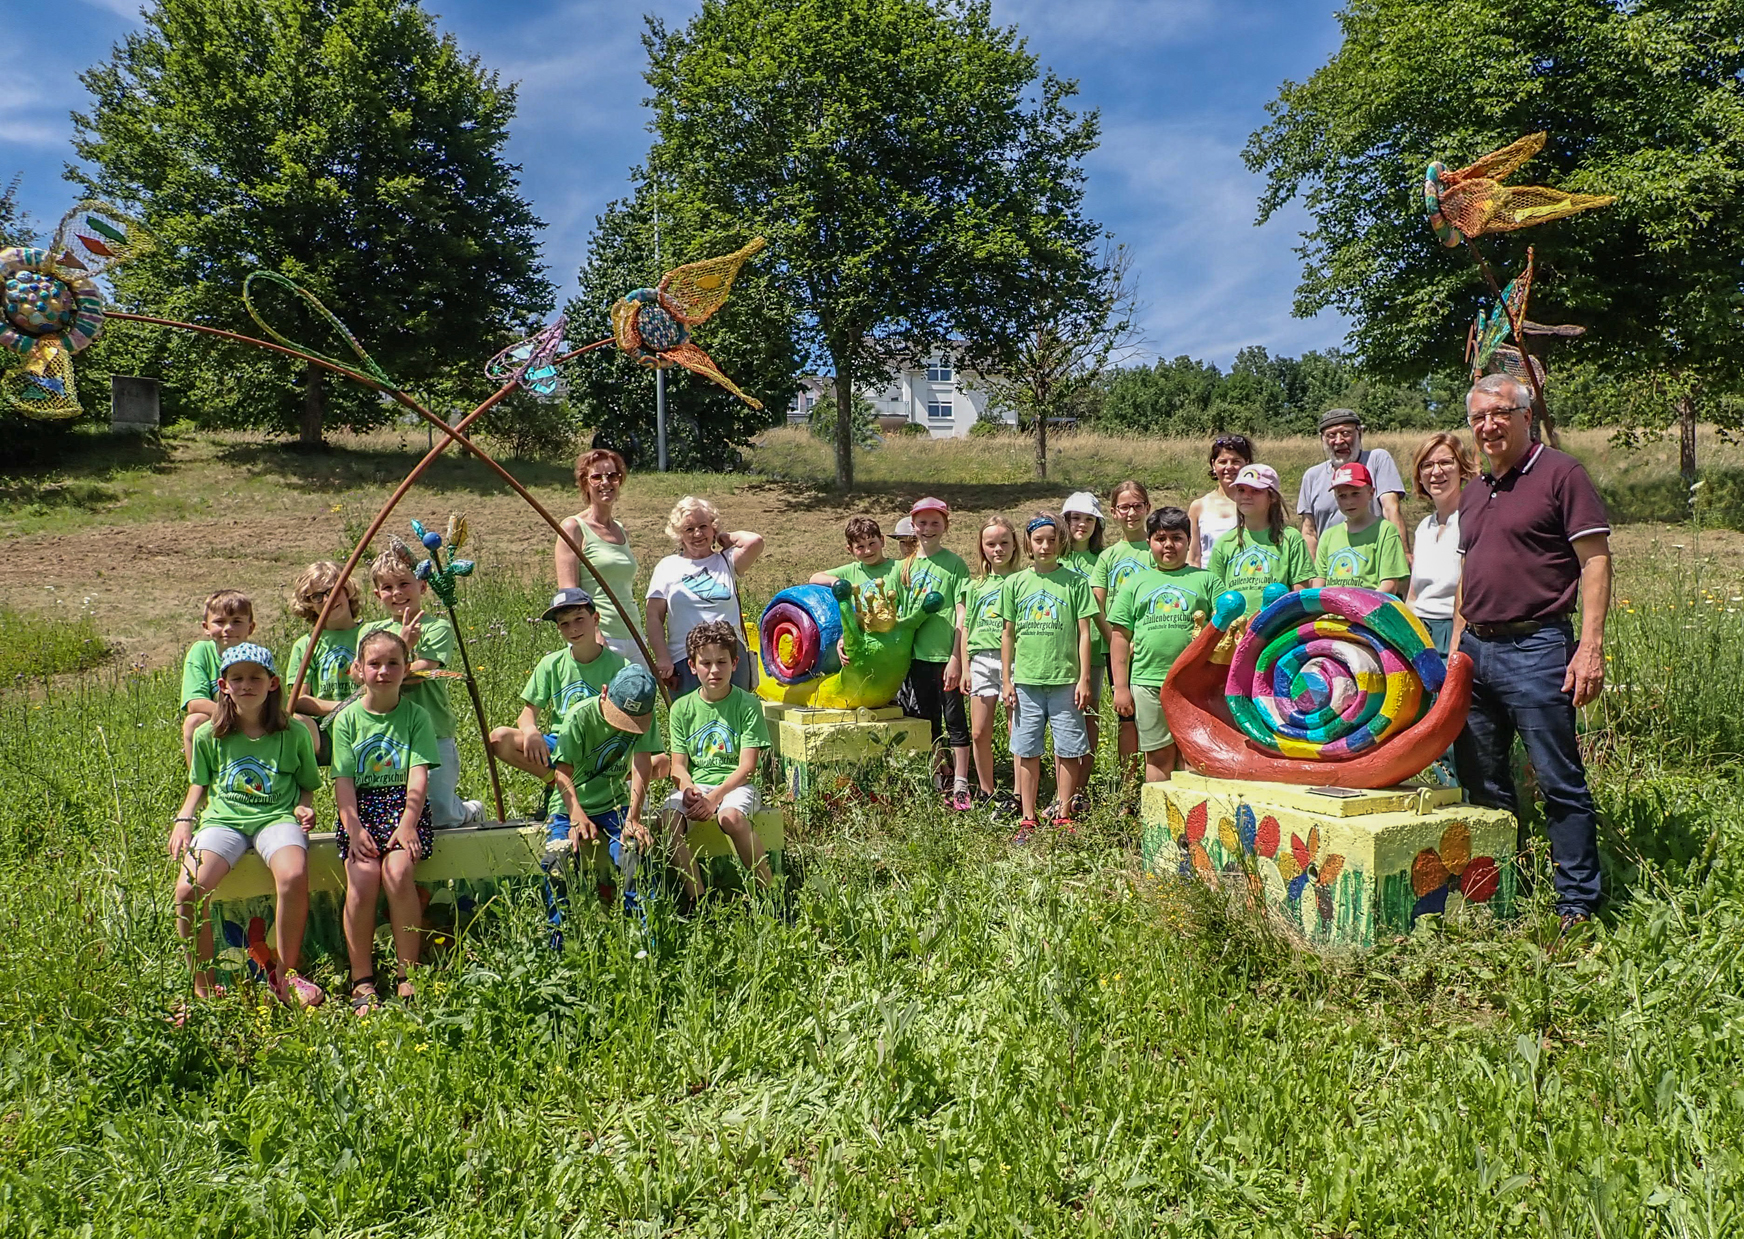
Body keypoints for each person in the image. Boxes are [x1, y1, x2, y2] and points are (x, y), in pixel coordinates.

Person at [1452, 373, 1611, 932]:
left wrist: (1588, 647)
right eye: (1478, 417)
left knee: (1557, 779)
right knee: (1483, 780)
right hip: (1476, 651)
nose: (1488, 425)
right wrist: (1454, 655)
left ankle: (1576, 904)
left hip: (1538, 647)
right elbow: (1467, 579)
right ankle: (1500, 890)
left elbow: (1595, 560)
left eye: (1499, 413)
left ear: (1525, 414)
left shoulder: (1561, 473)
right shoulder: (1474, 491)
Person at [170, 642, 323, 1008]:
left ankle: (286, 975)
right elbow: (200, 784)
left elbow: (307, 786)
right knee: (188, 891)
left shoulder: (293, 733)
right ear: (223, 686)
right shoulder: (210, 735)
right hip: (224, 820)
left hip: (275, 818)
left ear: (272, 683)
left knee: (292, 875)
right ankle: (203, 989)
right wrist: (184, 819)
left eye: (256, 677)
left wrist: (304, 808)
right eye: (236, 678)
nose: (246, 685)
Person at [331, 629, 440, 1010]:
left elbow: (419, 775)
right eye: (374, 663)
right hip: (360, 810)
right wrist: (354, 827)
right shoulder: (346, 721)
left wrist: (408, 823)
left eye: (393, 663)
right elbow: (342, 781)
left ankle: (407, 972)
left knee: (397, 873)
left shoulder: (416, 717)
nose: (383, 671)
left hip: (402, 809)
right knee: (361, 878)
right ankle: (361, 978)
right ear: (358, 669)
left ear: (406, 668)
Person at [359, 547, 483, 829]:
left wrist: (398, 654)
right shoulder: (369, 631)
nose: (397, 593)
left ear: (422, 586)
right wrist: (402, 652)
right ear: (378, 594)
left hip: (432, 727)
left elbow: (422, 671)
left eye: (404, 584)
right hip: (386, 731)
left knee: (439, 810)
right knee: (399, 804)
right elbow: (361, 675)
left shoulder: (435, 627)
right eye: (387, 587)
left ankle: (469, 811)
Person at [999, 512, 1097, 841]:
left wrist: (1084, 678)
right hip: (1026, 681)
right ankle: (1027, 816)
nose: (1045, 546)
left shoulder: (1075, 582)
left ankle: (1063, 812)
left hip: (1066, 681)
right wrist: (1007, 680)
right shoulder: (1015, 583)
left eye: (1052, 540)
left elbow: (1085, 632)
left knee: (1069, 748)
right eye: (1039, 540)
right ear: (1028, 543)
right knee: (1027, 749)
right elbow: (1008, 635)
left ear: (1061, 543)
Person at [490, 588, 628, 819]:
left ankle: (600, 794)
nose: (573, 629)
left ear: (595, 618)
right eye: (564, 624)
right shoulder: (551, 664)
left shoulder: (620, 666)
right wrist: (531, 730)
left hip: (599, 747)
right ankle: (556, 783)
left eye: (579, 620)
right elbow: (527, 712)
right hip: (561, 742)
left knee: (657, 761)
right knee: (499, 738)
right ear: (558, 628)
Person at [662, 621, 773, 898]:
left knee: (731, 817)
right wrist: (689, 789)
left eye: (722, 662)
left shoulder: (747, 704)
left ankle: (771, 893)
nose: (714, 670)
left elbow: (747, 767)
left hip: (734, 785)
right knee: (667, 819)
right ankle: (697, 897)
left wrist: (715, 798)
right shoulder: (681, 708)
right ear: (692, 666)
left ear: (735, 663)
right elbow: (678, 765)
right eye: (706, 663)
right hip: (698, 787)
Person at [1109, 508, 1217, 783]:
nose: (1168, 545)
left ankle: (1192, 824)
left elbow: (1224, 628)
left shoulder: (1207, 580)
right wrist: (1121, 687)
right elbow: (1120, 637)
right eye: (1160, 538)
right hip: (1148, 682)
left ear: (1189, 540)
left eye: (1177, 538)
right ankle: (1158, 824)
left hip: (1194, 684)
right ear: (1149, 542)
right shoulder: (1135, 583)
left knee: (1195, 755)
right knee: (1158, 756)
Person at [551, 663, 663, 904]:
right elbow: (562, 772)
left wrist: (633, 819)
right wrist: (576, 815)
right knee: (556, 862)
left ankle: (644, 934)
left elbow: (642, 765)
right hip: (569, 806)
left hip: (614, 804)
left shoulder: (646, 716)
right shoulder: (579, 716)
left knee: (635, 854)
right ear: (604, 692)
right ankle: (558, 937)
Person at [896, 497, 973, 803]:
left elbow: (962, 614)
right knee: (927, 721)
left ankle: (962, 782)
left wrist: (957, 658)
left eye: (935, 523)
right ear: (913, 526)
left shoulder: (955, 564)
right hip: (917, 658)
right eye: (922, 523)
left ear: (946, 527)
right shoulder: (905, 567)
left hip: (945, 658)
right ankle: (937, 774)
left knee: (955, 721)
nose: (928, 529)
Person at [645, 495, 764, 694]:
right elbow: (653, 616)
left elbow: (755, 541)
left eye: (703, 526)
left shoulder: (727, 561)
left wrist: (727, 538)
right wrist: (662, 657)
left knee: (734, 720)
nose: (697, 534)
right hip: (686, 660)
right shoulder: (667, 567)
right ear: (679, 534)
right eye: (689, 529)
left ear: (713, 528)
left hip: (731, 660)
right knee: (693, 721)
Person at [556, 448, 646, 670]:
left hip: (633, 633)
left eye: (612, 476)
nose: (606, 482)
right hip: (602, 636)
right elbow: (569, 593)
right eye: (597, 477)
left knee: (642, 702)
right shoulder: (574, 527)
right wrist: (594, 635)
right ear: (585, 483)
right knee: (604, 704)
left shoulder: (620, 530)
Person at [1091, 480, 1157, 777]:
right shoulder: (1108, 557)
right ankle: (1129, 787)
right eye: (1124, 507)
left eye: (1137, 506)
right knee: (1127, 717)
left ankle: (1157, 778)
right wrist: (1118, 640)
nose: (1131, 513)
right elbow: (1098, 606)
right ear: (1114, 513)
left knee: (1156, 715)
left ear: (1148, 508)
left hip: (1153, 645)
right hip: (1119, 648)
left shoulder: (1158, 548)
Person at [960, 515, 1022, 817]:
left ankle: (1020, 793)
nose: (998, 549)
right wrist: (966, 667)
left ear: (1014, 546)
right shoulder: (975, 586)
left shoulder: (1023, 581)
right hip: (981, 659)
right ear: (982, 548)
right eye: (991, 544)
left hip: (1014, 659)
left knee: (1017, 730)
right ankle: (986, 791)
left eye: (1004, 543)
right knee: (979, 731)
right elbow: (966, 627)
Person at [1295, 409, 1408, 559]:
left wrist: (1402, 555)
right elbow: (1309, 531)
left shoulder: (1377, 459)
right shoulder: (1312, 476)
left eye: (1346, 433)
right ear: (1322, 439)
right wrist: (1314, 576)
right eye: (1331, 435)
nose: (1339, 441)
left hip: (1375, 562)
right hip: (1330, 567)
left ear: (1359, 433)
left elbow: (1391, 509)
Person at [1206, 464, 1314, 620]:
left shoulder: (1291, 538)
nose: (1246, 496)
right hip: (1235, 632)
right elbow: (1216, 597)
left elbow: (1299, 593)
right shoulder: (1225, 542)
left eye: (1255, 491)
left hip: (1275, 631)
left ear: (1272, 497)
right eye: (1241, 490)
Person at [1406, 432, 1478, 654]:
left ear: (1461, 468)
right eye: (1427, 465)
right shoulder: (1424, 527)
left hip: (1456, 631)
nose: (1436, 472)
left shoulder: (1473, 519)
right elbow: (1413, 594)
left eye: (1446, 462)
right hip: (1419, 633)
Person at [285, 561, 362, 765]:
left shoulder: (370, 635)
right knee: (291, 722)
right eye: (317, 596)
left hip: (369, 723)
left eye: (333, 590)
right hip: (326, 732)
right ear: (308, 603)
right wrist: (344, 707)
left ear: (347, 590)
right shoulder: (306, 645)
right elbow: (299, 700)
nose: (327, 600)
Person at [1059, 491, 1109, 791]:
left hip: (1094, 652)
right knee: (1064, 719)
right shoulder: (1055, 558)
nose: (1081, 524)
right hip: (1060, 652)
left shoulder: (1101, 560)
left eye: (1089, 519)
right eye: (1075, 518)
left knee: (1089, 715)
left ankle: (1082, 786)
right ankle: (1062, 784)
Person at [179, 589, 256, 763]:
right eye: (220, 622)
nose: (228, 628)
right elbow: (194, 702)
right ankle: (199, 784)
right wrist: (235, 719)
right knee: (193, 721)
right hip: (221, 719)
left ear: (251, 628)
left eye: (237, 621)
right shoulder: (201, 652)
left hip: (256, 722)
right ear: (206, 627)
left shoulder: (257, 656)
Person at [1310, 461, 1409, 594]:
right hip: (1331, 612)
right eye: (1342, 496)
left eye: (1356, 494)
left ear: (1371, 493)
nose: (1349, 501)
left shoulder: (1385, 531)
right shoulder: (1328, 536)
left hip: (1369, 610)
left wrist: (1360, 609)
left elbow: (1389, 585)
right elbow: (1318, 583)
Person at [1188, 435, 1253, 568]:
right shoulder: (1198, 507)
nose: (1229, 467)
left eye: (1236, 461)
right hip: (1209, 581)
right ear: (1213, 464)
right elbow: (1193, 557)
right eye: (1222, 462)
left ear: (1246, 463)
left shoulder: (1255, 503)